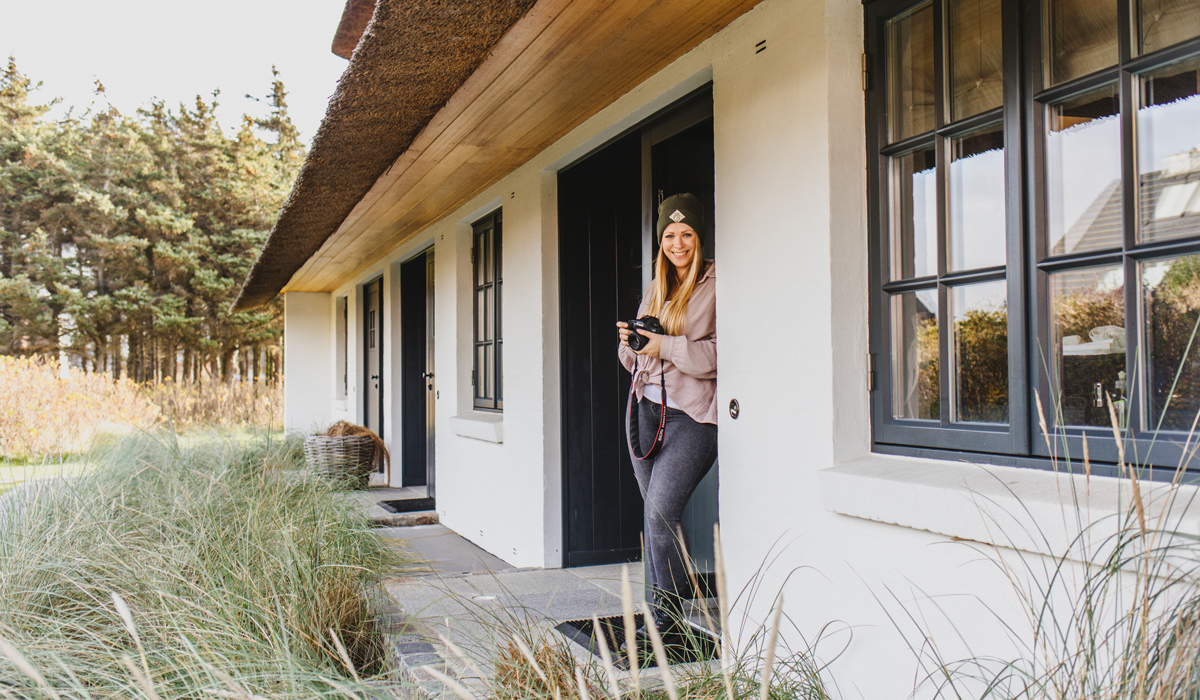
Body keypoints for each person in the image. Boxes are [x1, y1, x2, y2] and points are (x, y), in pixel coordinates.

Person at [616, 192, 717, 651]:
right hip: (644, 413)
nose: (678, 244)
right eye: (670, 236)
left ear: (700, 237)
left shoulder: (717, 285)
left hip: (692, 417)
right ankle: (659, 614)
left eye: (687, 234)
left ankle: (669, 623)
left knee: (659, 516)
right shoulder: (655, 287)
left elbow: (718, 356)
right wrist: (634, 344)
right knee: (657, 518)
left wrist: (665, 346)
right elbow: (630, 358)